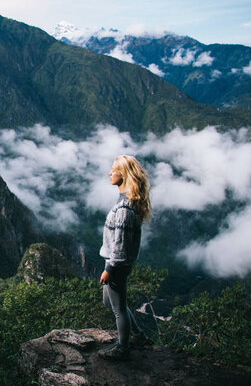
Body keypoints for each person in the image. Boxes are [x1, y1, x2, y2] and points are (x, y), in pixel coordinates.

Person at [98, 155, 151, 361]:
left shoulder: (124, 209)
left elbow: (120, 246)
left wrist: (109, 269)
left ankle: (123, 347)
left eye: (114, 170)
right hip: (116, 261)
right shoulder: (126, 201)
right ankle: (137, 334)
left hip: (117, 263)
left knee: (118, 309)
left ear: (124, 174)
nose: (110, 173)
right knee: (108, 301)